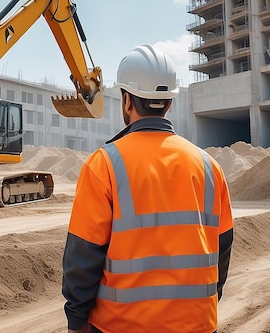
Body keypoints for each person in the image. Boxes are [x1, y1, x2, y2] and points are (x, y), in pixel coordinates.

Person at [62, 44, 233, 333]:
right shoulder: (209, 167)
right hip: (197, 324)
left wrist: (77, 320)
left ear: (127, 100)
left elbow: (83, 256)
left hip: (120, 325)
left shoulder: (103, 164)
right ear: (169, 102)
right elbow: (222, 248)